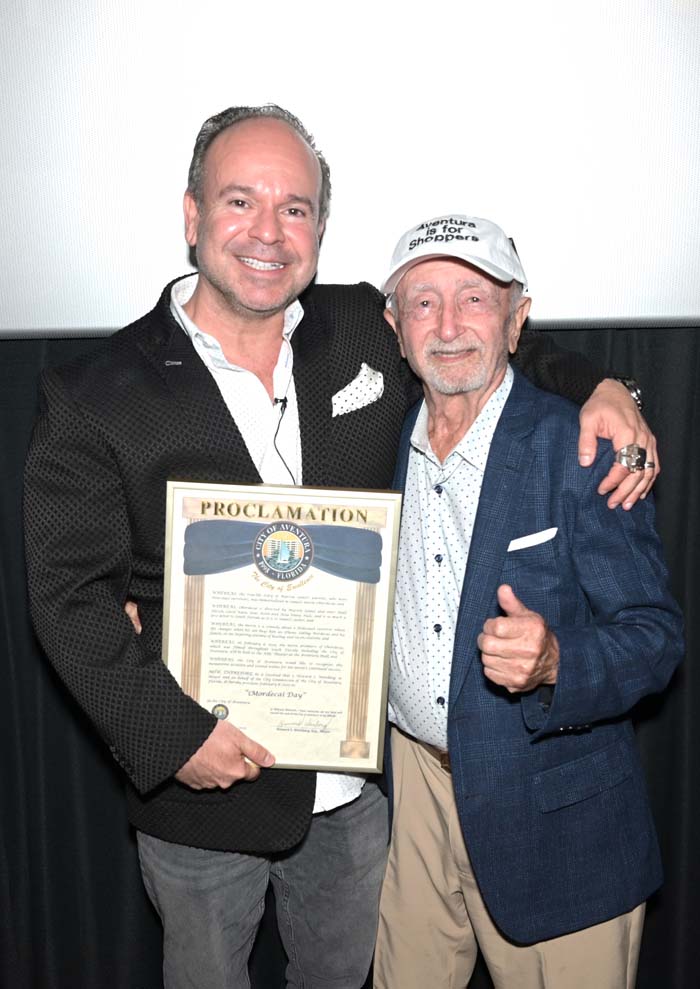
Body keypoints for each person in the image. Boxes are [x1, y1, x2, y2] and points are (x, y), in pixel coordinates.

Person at [24, 105, 657, 989]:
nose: (269, 232)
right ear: (191, 215)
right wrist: (173, 739)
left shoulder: (362, 326)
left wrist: (603, 386)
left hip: (354, 803)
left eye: (296, 208)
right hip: (204, 801)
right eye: (240, 200)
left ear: (321, 226)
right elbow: (69, 598)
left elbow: (477, 340)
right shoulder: (96, 394)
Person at [372, 213, 683, 989]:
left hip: (556, 816)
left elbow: (655, 636)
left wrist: (555, 660)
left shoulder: (582, 448)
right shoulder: (377, 444)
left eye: (475, 300)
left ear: (517, 321)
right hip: (416, 797)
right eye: (424, 302)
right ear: (394, 324)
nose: (448, 326)